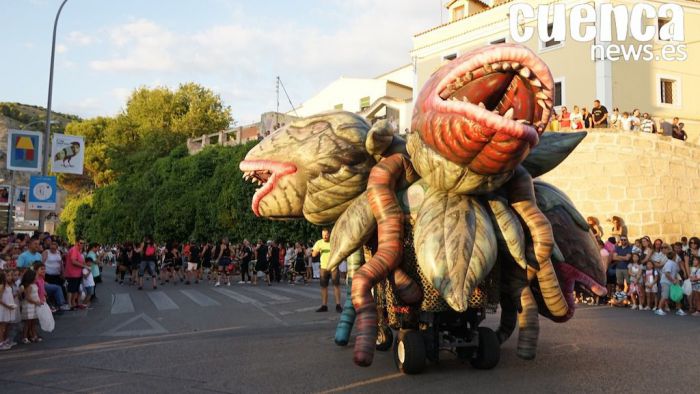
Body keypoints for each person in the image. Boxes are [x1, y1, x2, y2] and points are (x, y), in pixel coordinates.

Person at [313, 228, 341, 313]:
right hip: (324, 267)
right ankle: (324, 305)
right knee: (323, 287)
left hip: (333, 266)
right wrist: (316, 251)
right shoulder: (319, 243)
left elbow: (340, 251)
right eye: (323, 235)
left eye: (326, 235)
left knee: (336, 285)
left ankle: (338, 305)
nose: (324, 236)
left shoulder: (334, 241)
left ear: (329, 234)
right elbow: (313, 254)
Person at [20, 269, 41, 344]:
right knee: (28, 322)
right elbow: (28, 298)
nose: (36, 278)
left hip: (34, 305)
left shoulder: (34, 285)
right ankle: (24, 336)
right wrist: (36, 302)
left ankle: (33, 335)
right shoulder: (28, 286)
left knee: (33, 322)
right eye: (35, 277)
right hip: (29, 306)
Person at [65, 239, 86, 308]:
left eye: (83, 243)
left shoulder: (78, 251)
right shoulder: (74, 249)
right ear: (76, 242)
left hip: (77, 273)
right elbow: (73, 261)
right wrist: (84, 266)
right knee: (71, 289)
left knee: (75, 289)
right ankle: (70, 304)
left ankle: (73, 302)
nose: (82, 244)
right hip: (72, 273)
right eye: (81, 243)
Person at [0, 271, 18, 350]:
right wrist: (7, 306)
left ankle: (5, 340)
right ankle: (1, 342)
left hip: (9, 307)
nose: (10, 277)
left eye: (10, 275)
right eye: (8, 275)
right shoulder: (2, 286)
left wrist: (17, 293)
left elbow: (9, 297)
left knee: (7, 325)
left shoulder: (8, 285)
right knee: (2, 327)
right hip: (4, 308)